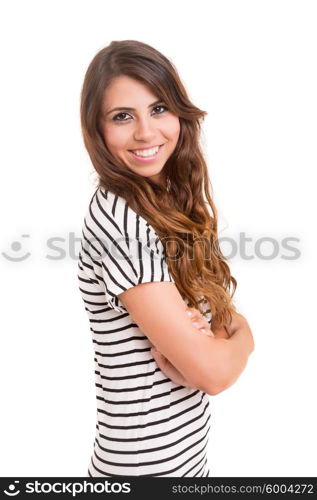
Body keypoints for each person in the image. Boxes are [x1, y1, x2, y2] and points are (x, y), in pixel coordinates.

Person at [77, 40, 255, 477]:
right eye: (123, 116)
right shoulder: (122, 225)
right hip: (144, 471)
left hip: (184, 462)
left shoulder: (163, 201)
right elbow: (214, 374)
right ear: (97, 130)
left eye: (159, 109)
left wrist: (214, 340)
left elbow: (218, 329)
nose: (146, 132)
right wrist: (242, 341)